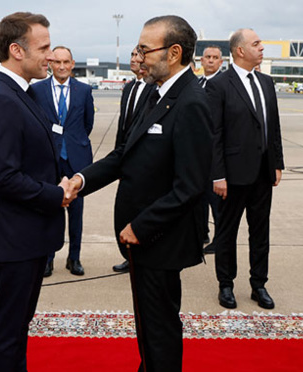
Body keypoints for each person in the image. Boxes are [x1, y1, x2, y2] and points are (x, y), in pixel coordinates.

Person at [68, 15, 212, 371]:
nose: (139, 56)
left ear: (174, 52)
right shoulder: (153, 92)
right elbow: (123, 154)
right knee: (148, 322)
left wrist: (141, 227)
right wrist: (81, 181)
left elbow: (191, 186)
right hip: (141, 240)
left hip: (160, 239)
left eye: (145, 49)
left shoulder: (191, 102)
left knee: (160, 324)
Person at [0, 12, 74, 371]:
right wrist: (57, 195)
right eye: (43, 48)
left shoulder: (21, 92)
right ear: (16, 50)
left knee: (18, 324)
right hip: (17, 235)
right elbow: (5, 177)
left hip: (32, 233)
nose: (52, 57)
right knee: (8, 329)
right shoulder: (0, 100)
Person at [206, 28, 284, 310]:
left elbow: (273, 126)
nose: (262, 47)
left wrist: (277, 163)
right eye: (256, 43)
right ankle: (225, 284)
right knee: (227, 232)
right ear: (240, 50)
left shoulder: (266, 82)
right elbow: (213, 134)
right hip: (232, 175)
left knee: (260, 231)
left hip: (263, 172)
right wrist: (218, 175)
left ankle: (258, 284)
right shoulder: (220, 85)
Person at [32, 46, 95, 277]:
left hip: (76, 159)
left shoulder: (84, 90)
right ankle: (48, 258)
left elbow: (87, 124)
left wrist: (73, 143)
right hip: (49, 158)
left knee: (76, 212)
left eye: (66, 62)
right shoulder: (37, 90)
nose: (61, 66)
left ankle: (74, 258)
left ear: (72, 63)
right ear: (50, 63)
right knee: (50, 209)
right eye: (57, 62)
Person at [111, 47, 155, 274]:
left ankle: (141, 256)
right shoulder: (128, 89)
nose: (134, 59)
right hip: (125, 157)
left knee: (141, 211)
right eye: (132, 56)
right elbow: (123, 126)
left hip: (142, 162)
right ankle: (129, 255)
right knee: (125, 211)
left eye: (138, 55)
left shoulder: (153, 90)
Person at [198, 45, 223, 254]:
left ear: (221, 62)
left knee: (216, 202)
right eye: (208, 57)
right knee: (199, 197)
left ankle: (219, 238)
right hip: (198, 153)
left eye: (215, 58)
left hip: (215, 153)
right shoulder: (197, 83)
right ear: (201, 61)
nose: (211, 61)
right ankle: (202, 232)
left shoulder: (224, 85)